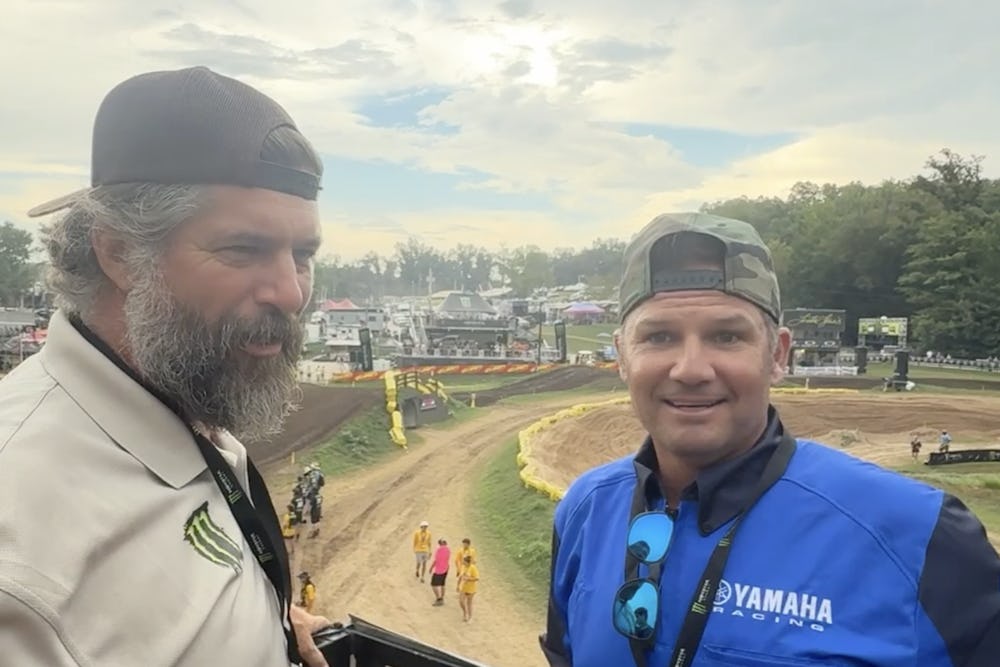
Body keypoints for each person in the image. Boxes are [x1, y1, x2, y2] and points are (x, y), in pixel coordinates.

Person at [539, 212, 1000, 667]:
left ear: (778, 354)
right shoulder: (586, 510)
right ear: (622, 356)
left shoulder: (917, 534)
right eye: (659, 337)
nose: (691, 369)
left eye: (726, 336)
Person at [0, 66, 332, 667]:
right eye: (243, 249)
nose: (291, 293)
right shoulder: (18, 550)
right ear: (121, 253)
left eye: (302, 254)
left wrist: (265, 623)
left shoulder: (177, 391)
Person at [457, 555, 479, 623]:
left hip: (471, 588)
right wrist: (458, 585)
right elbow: (461, 576)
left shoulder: (473, 568)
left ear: (468, 562)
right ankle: (465, 612)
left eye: (464, 561)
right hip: (463, 587)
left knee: (469, 603)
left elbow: (477, 578)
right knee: (461, 601)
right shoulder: (463, 567)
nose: (463, 562)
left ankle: (470, 617)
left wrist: (468, 579)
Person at [430, 538, 452, 606]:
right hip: (446, 569)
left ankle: (439, 599)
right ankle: (442, 598)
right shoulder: (448, 549)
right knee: (442, 584)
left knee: (433, 584)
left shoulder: (439, 550)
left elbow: (436, 560)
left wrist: (431, 568)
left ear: (439, 544)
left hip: (439, 570)